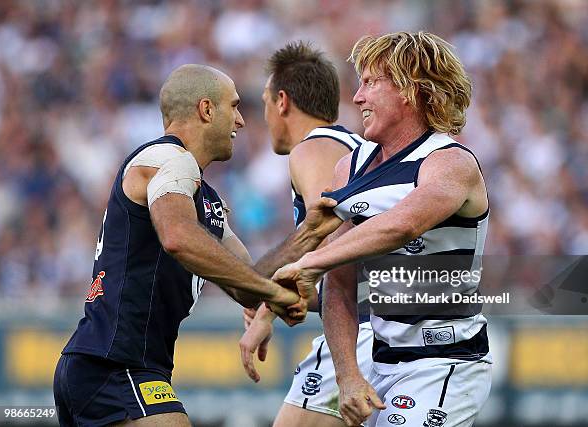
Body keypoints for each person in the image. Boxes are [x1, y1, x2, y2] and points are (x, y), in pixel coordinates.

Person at [53, 64, 339, 427]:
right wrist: (273, 292)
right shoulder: (167, 159)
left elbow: (247, 284)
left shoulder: (203, 198)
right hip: (114, 366)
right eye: (233, 107)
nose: (241, 121)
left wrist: (309, 237)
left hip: (112, 367)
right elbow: (178, 238)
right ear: (206, 110)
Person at [273, 32, 492, 427]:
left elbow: (401, 225)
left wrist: (311, 263)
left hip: (443, 364)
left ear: (411, 89)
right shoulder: (350, 167)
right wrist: (347, 376)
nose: (357, 97)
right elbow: (339, 286)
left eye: (371, 82)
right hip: (377, 358)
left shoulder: (449, 162)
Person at [237, 42, 373, 427]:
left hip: (358, 333)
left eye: (264, 102)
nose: (258, 118)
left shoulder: (313, 149)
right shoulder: (351, 146)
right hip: (381, 324)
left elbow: (329, 230)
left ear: (282, 101)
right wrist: (276, 306)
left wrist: (267, 306)